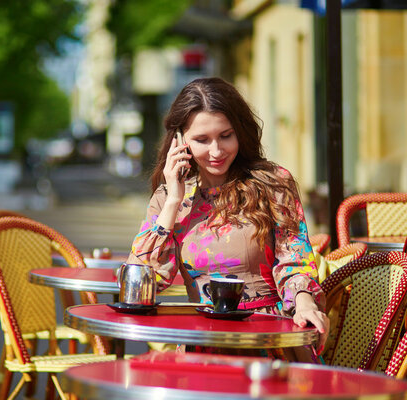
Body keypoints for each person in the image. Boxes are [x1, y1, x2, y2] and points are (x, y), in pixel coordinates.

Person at [126, 77, 329, 362]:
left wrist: (305, 303)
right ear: (179, 141)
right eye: (201, 140)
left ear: (240, 132)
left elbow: (294, 261)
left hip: (269, 340)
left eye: (225, 135)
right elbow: (141, 284)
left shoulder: (273, 184)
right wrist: (173, 201)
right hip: (202, 346)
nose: (217, 151)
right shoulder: (168, 198)